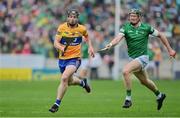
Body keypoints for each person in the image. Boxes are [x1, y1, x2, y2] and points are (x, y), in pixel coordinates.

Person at [105, 8, 176, 110]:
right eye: (131, 16)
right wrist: (111, 44)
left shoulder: (147, 28)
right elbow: (118, 39)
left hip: (143, 58)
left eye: (134, 16)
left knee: (125, 71)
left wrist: (170, 50)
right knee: (144, 81)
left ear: (139, 17)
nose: (132, 18)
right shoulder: (125, 27)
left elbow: (161, 35)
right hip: (133, 59)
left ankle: (128, 99)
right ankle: (159, 95)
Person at [49, 9, 95, 113]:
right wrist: (61, 48)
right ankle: (83, 83)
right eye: (70, 16)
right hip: (62, 59)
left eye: (74, 17)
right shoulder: (62, 27)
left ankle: (56, 104)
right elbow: (56, 42)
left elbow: (87, 37)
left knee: (64, 78)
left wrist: (90, 47)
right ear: (67, 17)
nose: (72, 19)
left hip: (75, 58)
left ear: (77, 18)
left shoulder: (82, 29)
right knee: (69, 81)